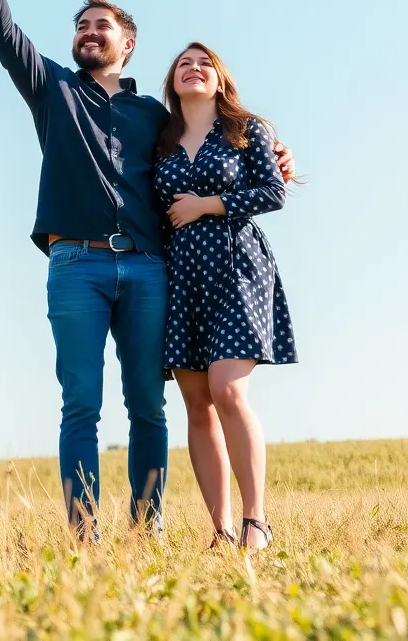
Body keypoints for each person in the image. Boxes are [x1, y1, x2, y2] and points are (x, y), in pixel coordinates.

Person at [0, 0, 294, 537]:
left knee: (149, 405)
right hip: (76, 266)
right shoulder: (52, 90)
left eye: (102, 24)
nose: (90, 31)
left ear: (127, 42)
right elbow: (2, 33)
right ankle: (84, 533)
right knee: (80, 402)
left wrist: (274, 151)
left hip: (147, 271)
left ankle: (147, 530)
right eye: (82, 24)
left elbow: (212, 146)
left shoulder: (153, 119)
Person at [155, 42, 298, 551]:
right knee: (196, 403)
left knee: (228, 390)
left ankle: (256, 521)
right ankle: (220, 529)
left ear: (220, 78)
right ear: (172, 81)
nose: (194, 68)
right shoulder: (161, 139)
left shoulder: (246, 129)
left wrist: (205, 205)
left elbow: (273, 191)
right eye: (183, 63)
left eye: (204, 63)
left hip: (238, 265)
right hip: (182, 275)